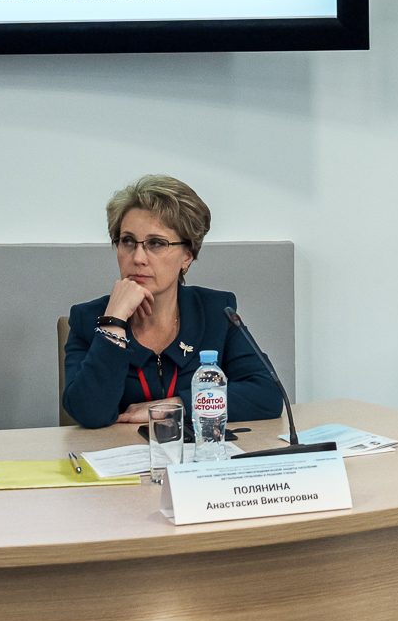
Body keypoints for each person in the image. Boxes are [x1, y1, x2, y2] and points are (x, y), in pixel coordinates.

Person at [61, 174, 284, 431]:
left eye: (156, 243)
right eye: (128, 241)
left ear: (187, 256)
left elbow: (267, 394)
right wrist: (114, 322)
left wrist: (177, 405)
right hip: (120, 455)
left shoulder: (216, 312)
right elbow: (89, 413)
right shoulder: (89, 320)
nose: (138, 258)